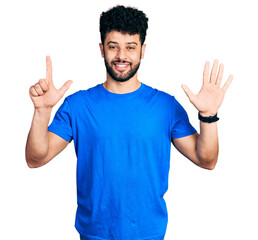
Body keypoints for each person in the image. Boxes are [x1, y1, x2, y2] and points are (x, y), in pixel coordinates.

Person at [25, 5, 233, 240]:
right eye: (113, 46)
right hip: (94, 235)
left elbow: (207, 160)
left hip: (149, 234)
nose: (121, 56)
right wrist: (42, 111)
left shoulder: (166, 106)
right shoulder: (77, 105)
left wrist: (208, 116)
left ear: (142, 50)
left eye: (130, 47)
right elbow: (35, 159)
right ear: (102, 49)